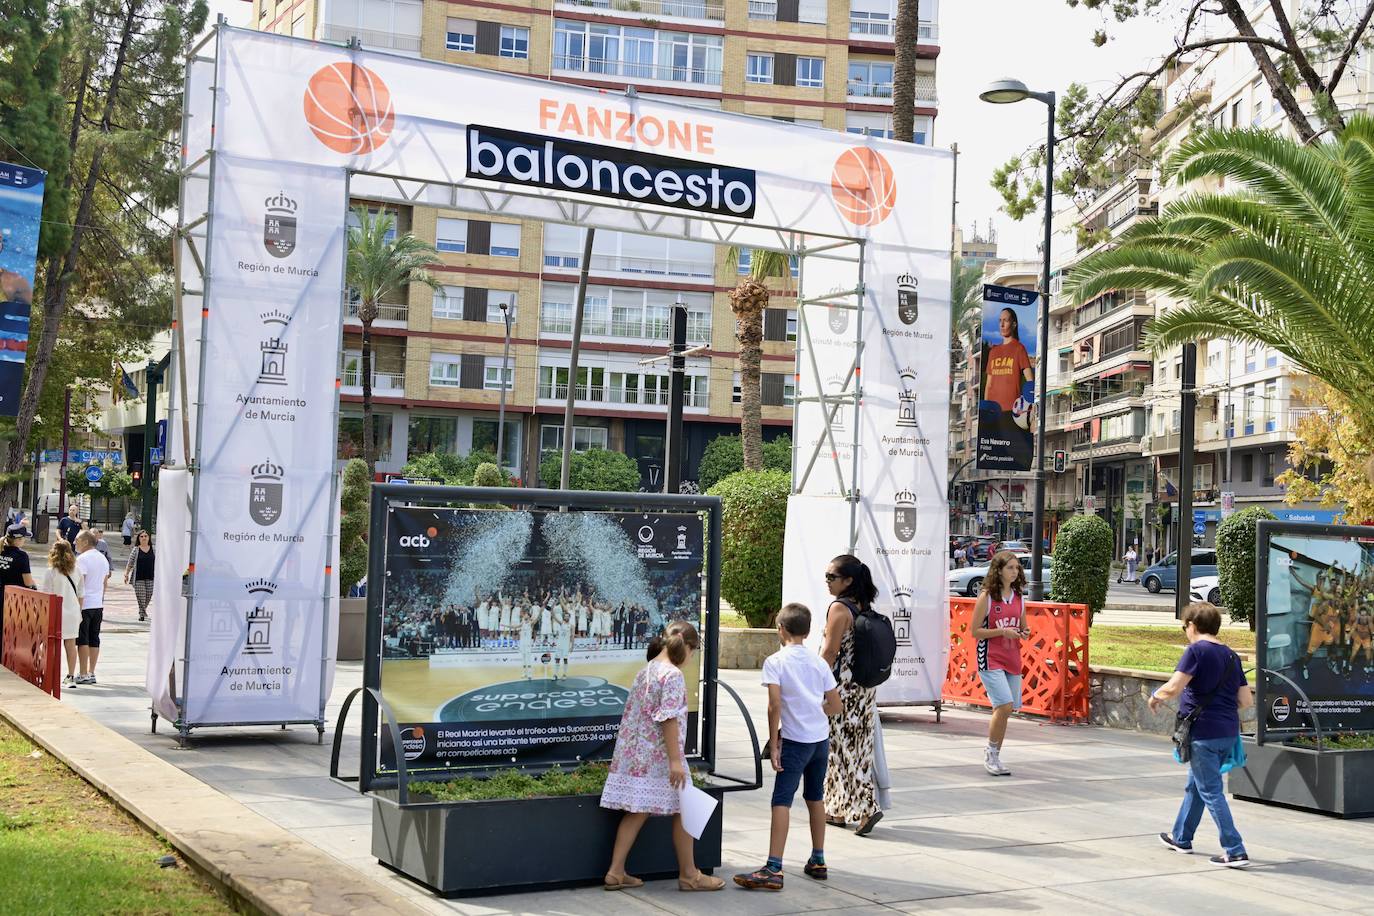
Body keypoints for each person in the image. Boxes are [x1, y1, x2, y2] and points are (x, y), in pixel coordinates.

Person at [600, 620, 723, 892]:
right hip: (661, 757)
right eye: (693, 652)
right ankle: (690, 875)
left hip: (636, 755)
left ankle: (616, 871)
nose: (691, 658)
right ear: (687, 647)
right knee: (686, 808)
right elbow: (668, 719)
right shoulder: (673, 675)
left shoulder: (646, 671)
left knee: (637, 811)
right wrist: (676, 761)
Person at [735, 603, 842, 891]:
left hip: (794, 741)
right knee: (815, 797)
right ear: (807, 631)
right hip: (820, 740)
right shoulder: (819, 663)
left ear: (780, 629)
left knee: (781, 800)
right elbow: (835, 705)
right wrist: (814, 709)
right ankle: (818, 859)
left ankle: (774, 866)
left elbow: (774, 706)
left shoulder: (776, 662)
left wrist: (774, 743)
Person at [1149, 602, 1252, 868]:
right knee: (1195, 786)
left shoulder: (1195, 651)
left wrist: (1155, 696)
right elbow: (1245, 700)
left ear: (1192, 626)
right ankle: (1181, 837)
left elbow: (1174, 687)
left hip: (1203, 733)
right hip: (1227, 731)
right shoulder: (1231, 655)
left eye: (1185, 627)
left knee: (1211, 791)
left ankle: (1235, 849)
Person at [820, 554, 883, 837]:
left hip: (841, 689)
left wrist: (815, 682)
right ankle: (835, 808)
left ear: (848, 581)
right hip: (864, 689)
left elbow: (829, 652)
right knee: (852, 747)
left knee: (842, 749)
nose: (827, 581)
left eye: (832, 577)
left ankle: (867, 807)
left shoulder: (838, 608)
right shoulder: (862, 605)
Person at [973, 551, 1029, 777]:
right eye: (1010, 568)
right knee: (1004, 704)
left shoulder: (1019, 596)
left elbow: (1024, 626)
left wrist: (1024, 632)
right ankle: (991, 753)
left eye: (1017, 568)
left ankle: (995, 752)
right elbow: (975, 631)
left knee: (1007, 709)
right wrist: (1001, 631)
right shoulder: (987, 596)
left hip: (1012, 656)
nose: (1015, 572)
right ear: (998, 570)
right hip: (990, 656)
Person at [979, 307, 1035, 465]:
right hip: (993, 413)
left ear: (1014, 324)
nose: (1002, 324)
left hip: (1013, 413)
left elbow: (1029, 380)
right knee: (992, 454)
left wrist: (1031, 407)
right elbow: (988, 385)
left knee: (1016, 457)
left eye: (1006, 320)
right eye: (1000, 321)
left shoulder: (1019, 348)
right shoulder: (993, 352)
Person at [41, 539, 83, 686]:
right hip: (73, 612)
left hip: (56, 612)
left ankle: (51, 675)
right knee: (71, 645)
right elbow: (81, 595)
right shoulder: (77, 570)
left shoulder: (51, 572)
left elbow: (47, 595)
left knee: (52, 645)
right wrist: (79, 613)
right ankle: (70, 676)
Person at [74, 530, 110, 685]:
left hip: (85, 603)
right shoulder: (103, 559)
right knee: (94, 638)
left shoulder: (82, 559)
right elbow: (104, 583)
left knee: (83, 639)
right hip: (97, 603)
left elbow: (80, 582)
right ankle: (91, 672)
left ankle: (82, 673)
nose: (75, 543)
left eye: (77, 540)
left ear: (85, 542)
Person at [0, 521, 36, 643]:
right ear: (18, 540)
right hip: (13, 601)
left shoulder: (1, 550)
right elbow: (28, 582)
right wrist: (34, 584)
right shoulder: (21, 556)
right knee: (10, 636)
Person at [123, 529, 155, 622]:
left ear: (149, 538)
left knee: (148, 595)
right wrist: (126, 574)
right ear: (139, 539)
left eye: (146, 536)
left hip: (151, 577)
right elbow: (130, 563)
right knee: (141, 596)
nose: (144, 538)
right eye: (142, 536)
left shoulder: (154, 549)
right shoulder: (136, 549)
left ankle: (142, 610)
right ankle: (142, 614)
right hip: (138, 578)